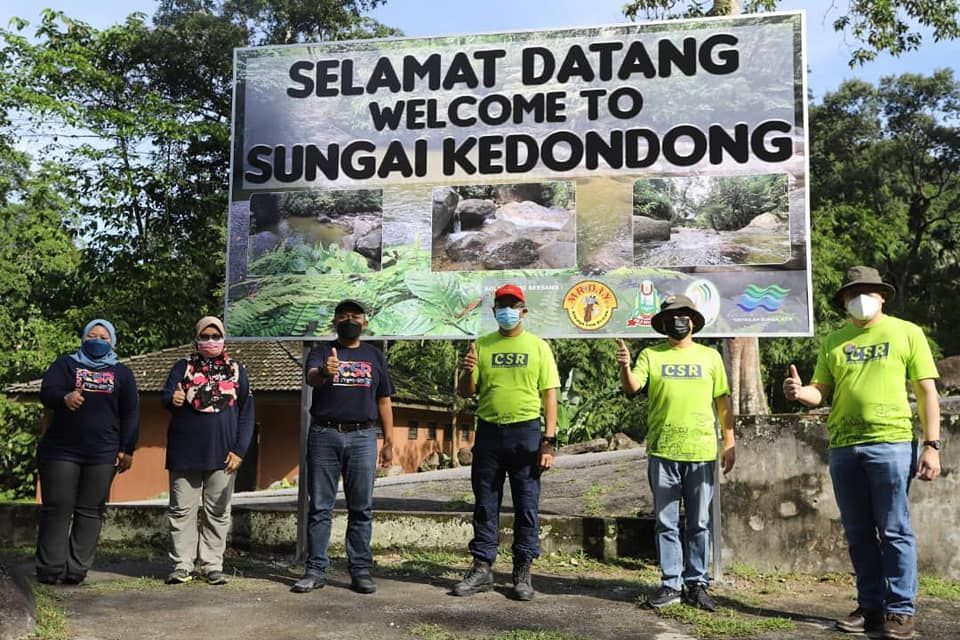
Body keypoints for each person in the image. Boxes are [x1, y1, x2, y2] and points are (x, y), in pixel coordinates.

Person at [783, 266, 940, 640]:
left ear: (883, 295)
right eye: (852, 293)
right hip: (844, 447)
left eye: (868, 291)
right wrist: (800, 393)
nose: (861, 298)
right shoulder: (834, 341)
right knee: (858, 533)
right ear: (844, 301)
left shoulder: (906, 332)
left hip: (891, 443)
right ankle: (870, 608)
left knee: (894, 529)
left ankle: (900, 610)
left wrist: (931, 445)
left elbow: (927, 392)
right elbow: (821, 391)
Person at [617, 295, 735, 612]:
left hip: (701, 451)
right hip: (663, 450)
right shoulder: (651, 355)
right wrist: (625, 366)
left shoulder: (710, 357)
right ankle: (671, 584)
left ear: (693, 321)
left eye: (683, 315)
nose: (678, 321)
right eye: (671, 316)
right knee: (665, 522)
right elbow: (632, 387)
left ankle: (697, 585)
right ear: (663, 323)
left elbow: (723, 402)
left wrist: (729, 441)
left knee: (699, 522)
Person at [453, 283, 560, 601]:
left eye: (513, 306)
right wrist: (467, 371)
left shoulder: (538, 347)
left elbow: (550, 395)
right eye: (502, 305)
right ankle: (482, 568)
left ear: (523, 311)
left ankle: (522, 571)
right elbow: (466, 391)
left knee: (526, 505)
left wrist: (549, 441)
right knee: (485, 502)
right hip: (489, 432)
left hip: (526, 433)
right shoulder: (482, 345)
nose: (507, 311)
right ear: (494, 310)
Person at [292, 299, 395, 594]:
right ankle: (315, 570)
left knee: (361, 508)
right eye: (343, 315)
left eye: (355, 315)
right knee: (320, 507)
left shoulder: (374, 355)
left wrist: (389, 441)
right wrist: (326, 371)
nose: (349, 319)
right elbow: (312, 378)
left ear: (365, 321)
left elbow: (384, 399)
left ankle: (360, 571)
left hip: (363, 437)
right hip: (324, 435)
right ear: (334, 321)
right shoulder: (321, 352)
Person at [35, 319, 140, 585]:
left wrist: (127, 448)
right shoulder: (65, 365)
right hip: (61, 450)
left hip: (103, 453)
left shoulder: (122, 373)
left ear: (112, 342)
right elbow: (47, 392)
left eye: (104, 337)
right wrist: (65, 398)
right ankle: (49, 569)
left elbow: (131, 413)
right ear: (83, 339)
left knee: (90, 510)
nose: (97, 341)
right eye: (92, 336)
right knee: (57, 507)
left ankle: (76, 570)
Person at [162, 316, 255, 585]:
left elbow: (247, 413)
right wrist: (173, 398)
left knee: (218, 512)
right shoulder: (183, 367)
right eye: (205, 336)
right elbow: (166, 397)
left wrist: (240, 450)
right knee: (182, 511)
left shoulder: (237, 370)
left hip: (224, 455)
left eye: (216, 336)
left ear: (224, 339)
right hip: (184, 452)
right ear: (197, 339)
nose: (210, 341)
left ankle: (212, 565)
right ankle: (182, 565)